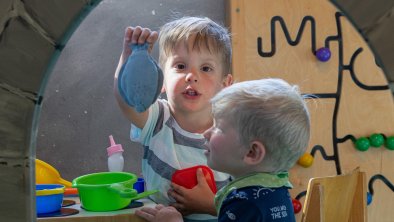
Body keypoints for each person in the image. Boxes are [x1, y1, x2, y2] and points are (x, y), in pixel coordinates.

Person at [135, 78, 311, 222]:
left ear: (252, 152)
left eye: (218, 127)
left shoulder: (244, 204)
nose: (207, 133)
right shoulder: (277, 192)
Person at [113, 16, 233, 221]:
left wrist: (211, 205)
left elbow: (246, 204)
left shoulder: (233, 135)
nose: (191, 76)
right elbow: (128, 101)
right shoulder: (158, 118)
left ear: (225, 84)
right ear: (160, 80)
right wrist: (129, 61)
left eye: (205, 68)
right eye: (180, 66)